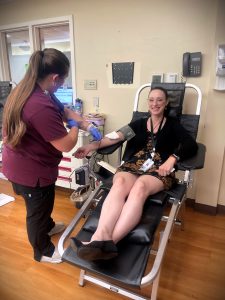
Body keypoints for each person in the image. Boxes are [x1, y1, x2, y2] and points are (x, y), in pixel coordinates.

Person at [71, 87, 198, 261]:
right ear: (148, 102)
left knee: (140, 187)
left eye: (160, 100)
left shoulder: (173, 126)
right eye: (151, 99)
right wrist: (90, 146)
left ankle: (109, 243)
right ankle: (98, 239)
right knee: (120, 183)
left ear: (166, 103)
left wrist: (173, 159)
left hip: (159, 169)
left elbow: (191, 145)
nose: (155, 104)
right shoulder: (138, 124)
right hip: (133, 166)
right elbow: (114, 138)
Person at [2, 48, 102, 264]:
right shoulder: (38, 104)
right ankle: (43, 251)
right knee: (36, 212)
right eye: (63, 80)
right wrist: (76, 127)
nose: (62, 84)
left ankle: (48, 227)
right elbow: (66, 145)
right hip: (29, 171)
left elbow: (64, 110)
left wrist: (84, 122)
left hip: (30, 163)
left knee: (45, 203)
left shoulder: (38, 90)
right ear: (55, 78)